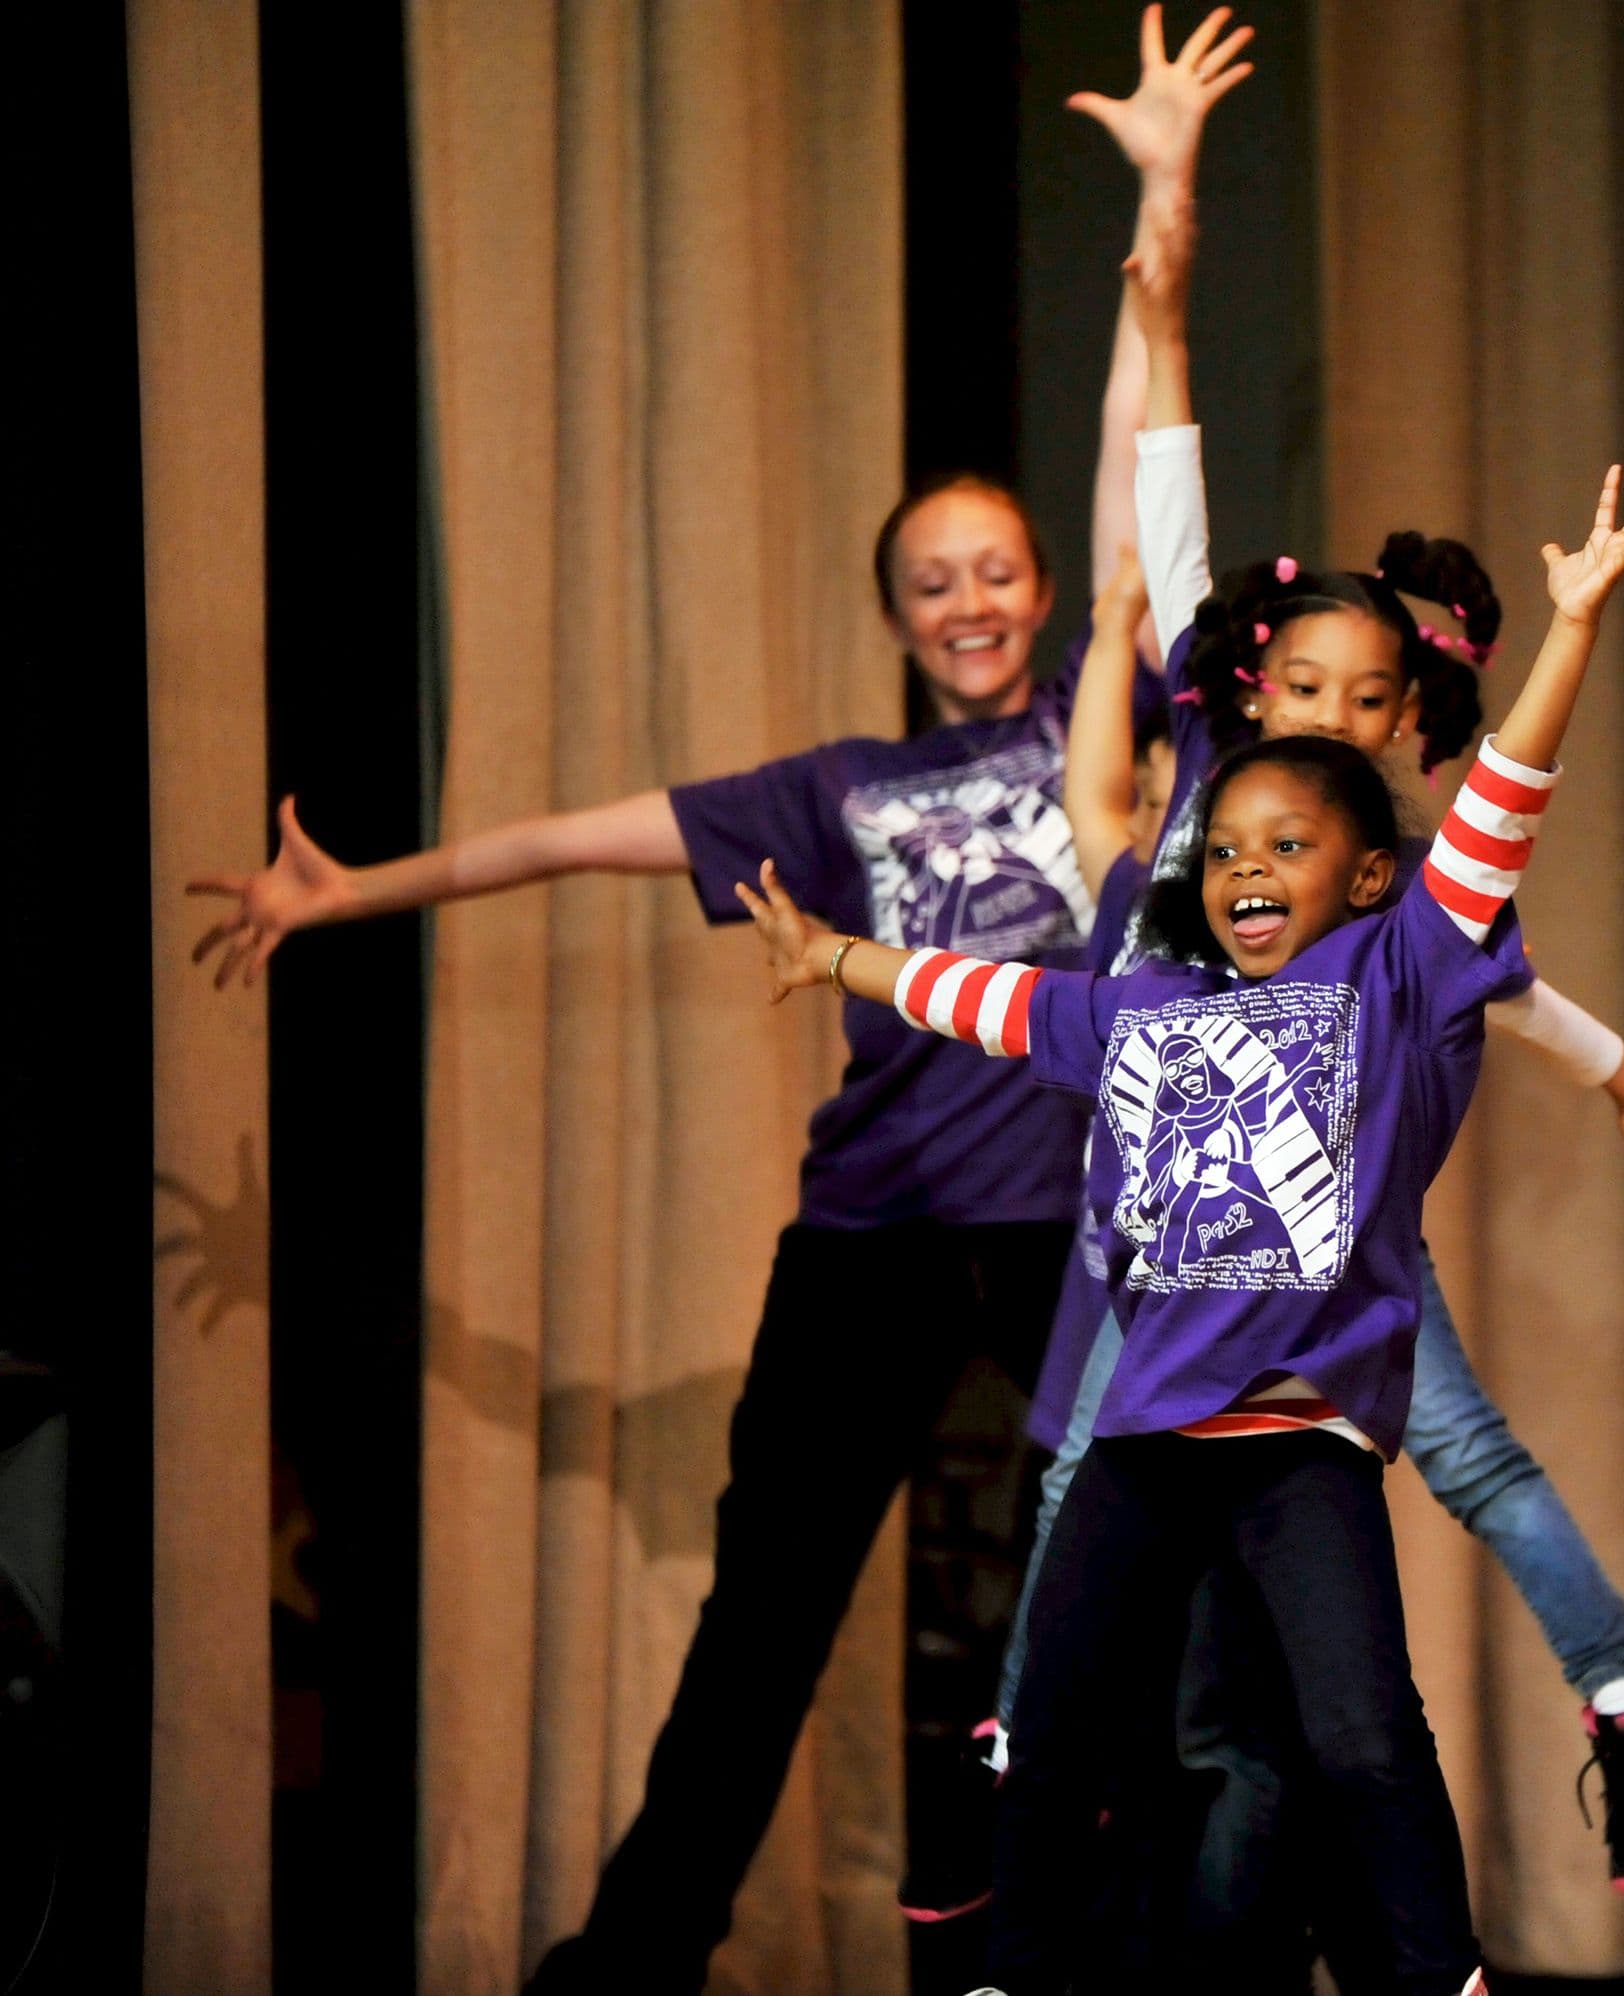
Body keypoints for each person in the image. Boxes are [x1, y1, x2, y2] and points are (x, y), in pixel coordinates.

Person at [737, 459, 1624, 1996]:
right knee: (1051, 1744)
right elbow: (983, 996)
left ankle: (1444, 1973)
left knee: (1366, 1744)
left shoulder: (1409, 980)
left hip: (1297, 1446)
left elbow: (1504, 806)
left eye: (1287, 849)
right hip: (1148, 1445)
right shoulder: (1145, 1007)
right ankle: (1022, 1974)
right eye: (1227, 848)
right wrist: (835, 953)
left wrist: (1570, 628)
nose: (1245, 870)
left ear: (1373, 875)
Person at [188, 441, 1099, 1991]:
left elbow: (1154, 494)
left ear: (1049, 592)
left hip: (1056, 1233)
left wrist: (1159, 254)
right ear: (894, 614)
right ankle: (635, 1957)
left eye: (997, 572)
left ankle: (1168, 1927)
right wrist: (356, 895)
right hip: (872, 1236)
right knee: (766, 1616)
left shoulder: (1100, 726)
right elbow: (572, 842)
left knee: (1159, 1552)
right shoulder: (835, 791)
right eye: (933, 582)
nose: (971, 604)